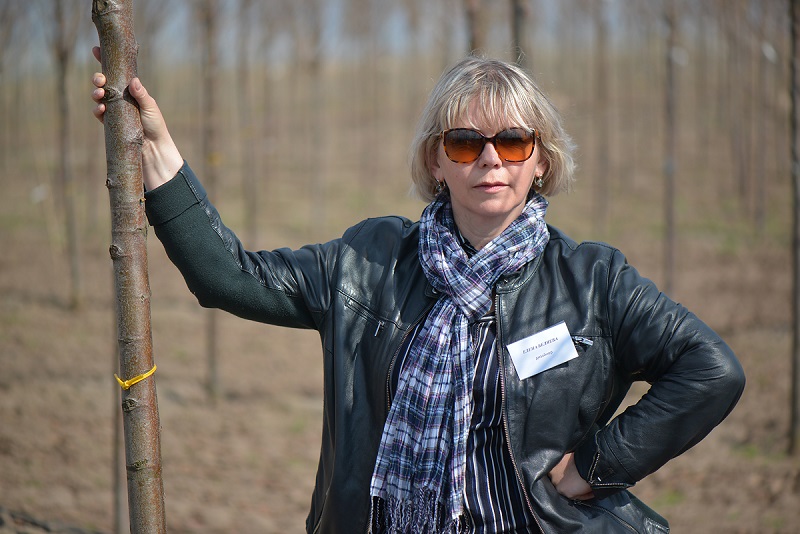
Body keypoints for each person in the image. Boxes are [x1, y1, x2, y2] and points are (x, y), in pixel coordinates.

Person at [92, 49, 745, 534]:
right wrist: (156, 152)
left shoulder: (593, 281)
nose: (491, 159)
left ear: (540, 159)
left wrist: (592, 467)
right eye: (466, 142)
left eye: (513, 141)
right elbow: (227, 277)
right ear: (436, 160)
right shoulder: (370, 263)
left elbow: (711, 370)